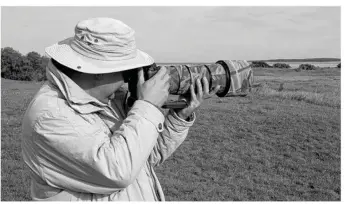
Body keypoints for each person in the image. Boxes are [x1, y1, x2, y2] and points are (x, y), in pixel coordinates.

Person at [21, 17, 219, 201]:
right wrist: (147, 106)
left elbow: (143, 156)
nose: (128, 79)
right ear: (99, 71)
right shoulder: (48, 116)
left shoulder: (106, 100)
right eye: (126, 71)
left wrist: (179, 116)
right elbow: (117, 171)